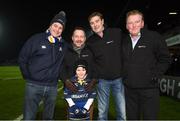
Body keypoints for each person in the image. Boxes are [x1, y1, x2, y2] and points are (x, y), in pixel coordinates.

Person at [122, 10, 171, 120]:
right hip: (129, 90)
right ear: (126, 25)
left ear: (142, 23)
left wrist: (155, 74)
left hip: (149, 90)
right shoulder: (124, 41)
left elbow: (165, 58)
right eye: (130, 22)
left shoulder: (154, 37)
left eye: (137, 22)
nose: (133, 25)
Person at [18, 11, 67, 120]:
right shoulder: (36, 39)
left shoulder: (63, 45)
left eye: (60, 27)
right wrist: (28, 76)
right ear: (50, 25)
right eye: (55, 25)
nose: (57, 29)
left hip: (52, 87)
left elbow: (72, 54)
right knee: (29, 118)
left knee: (48, 118)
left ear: (62, 30)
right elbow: (23, 58)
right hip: (34, 86)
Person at [87, 12, 126, 120]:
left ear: (102, 21)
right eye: (92, 23)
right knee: (102, 112)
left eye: (97, 21)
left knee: (122, 112)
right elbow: (91, 62)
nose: (95, 25)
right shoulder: (90, 42)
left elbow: (127, 50)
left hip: (119, 79)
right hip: (102, 81)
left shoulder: (116, 33)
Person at [61, 26, 96, 93]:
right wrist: (66, 81)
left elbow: (96, 67)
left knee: (88, 104)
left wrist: (93, 80)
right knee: (71, 103)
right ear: (72, 38)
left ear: (85, 38)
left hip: (88, 89)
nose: (79, 39)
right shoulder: (65, 50)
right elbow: (61, 68)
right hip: (71, 89)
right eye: (76, 36)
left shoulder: (91, 50)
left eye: (81, 37)